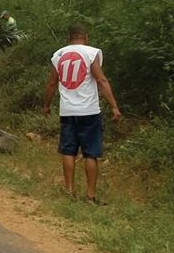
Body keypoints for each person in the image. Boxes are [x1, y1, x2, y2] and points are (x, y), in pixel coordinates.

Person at [42, 24, 122, 204]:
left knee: (68, 151)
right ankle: (90, 196)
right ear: (86, 36)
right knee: (90, 154)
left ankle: (69, 192)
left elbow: (51, 84)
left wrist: (46, 106)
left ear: (68, 38)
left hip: (68, 111)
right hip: (89, 111)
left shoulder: (58, 55)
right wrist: (114, 106)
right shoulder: (91, 53)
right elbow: (101, 80)